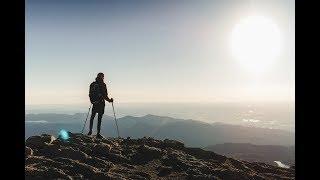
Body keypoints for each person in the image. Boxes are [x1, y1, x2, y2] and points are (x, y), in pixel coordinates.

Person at [88, 72, 113, 138]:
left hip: (95, 103)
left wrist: (92, 101)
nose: (103, 78)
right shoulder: (103, 85)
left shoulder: (93, 84)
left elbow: (90, 94)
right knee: (99, 118)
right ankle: (98, 133)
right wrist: (110, 100)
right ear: (102, 77)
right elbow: (105, 96)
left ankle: (90, 131)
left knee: (92, 117)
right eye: (103, 76)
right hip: (101, 103)